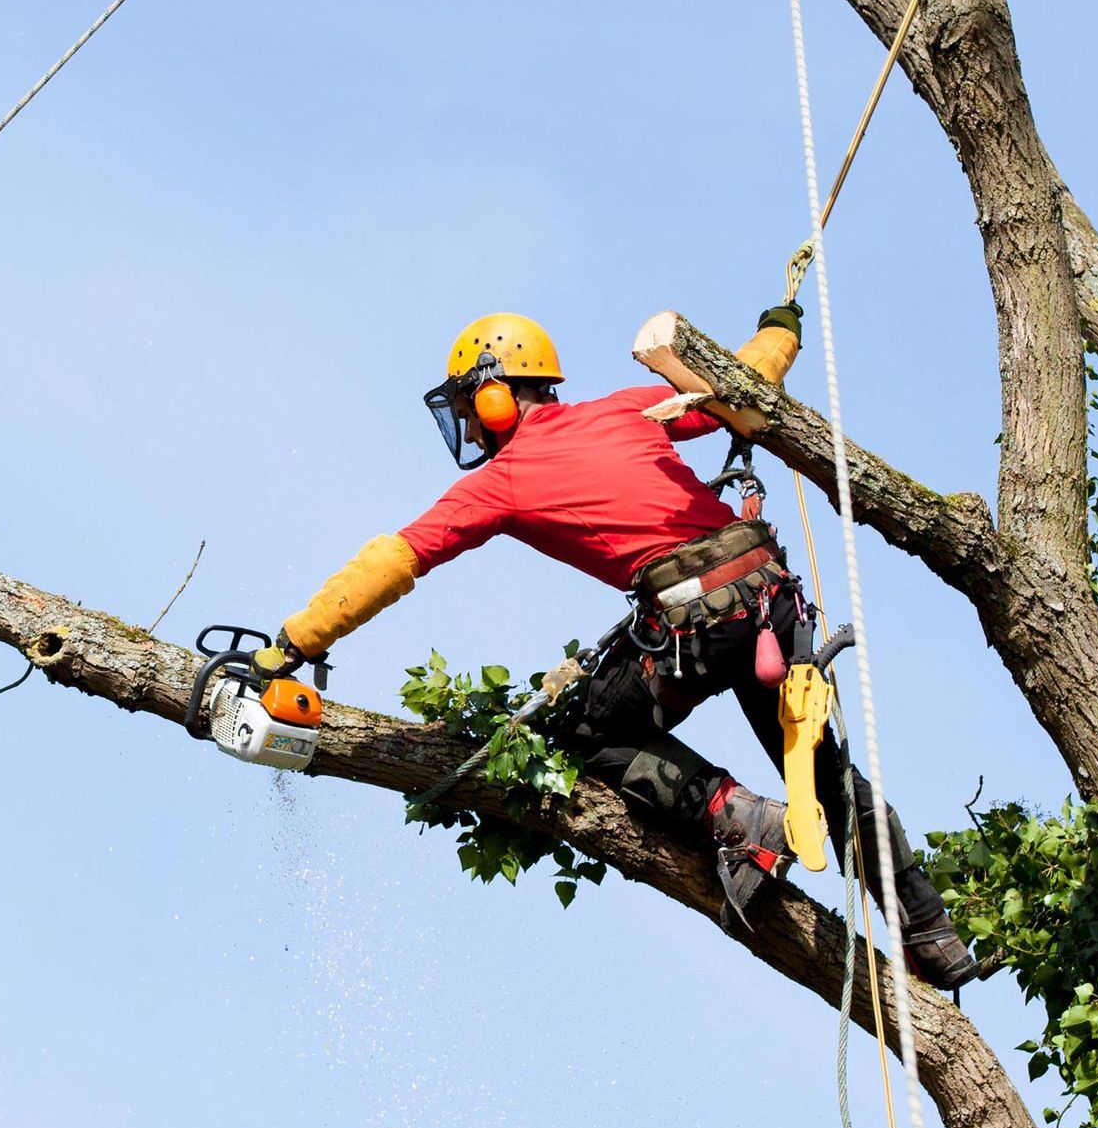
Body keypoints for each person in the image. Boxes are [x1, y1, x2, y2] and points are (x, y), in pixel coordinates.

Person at [269, 311, 979, 990]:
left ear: (492, 395)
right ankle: (933, 935)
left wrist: (295, 642)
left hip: (694, 621)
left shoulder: (502, 478)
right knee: (826, 778)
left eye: (467, 407)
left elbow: (394, 561)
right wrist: (780, 330)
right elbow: (744, 379)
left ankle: (739, 816)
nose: (468, 427)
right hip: (767, 601)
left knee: (584, 733)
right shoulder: (625, 409)